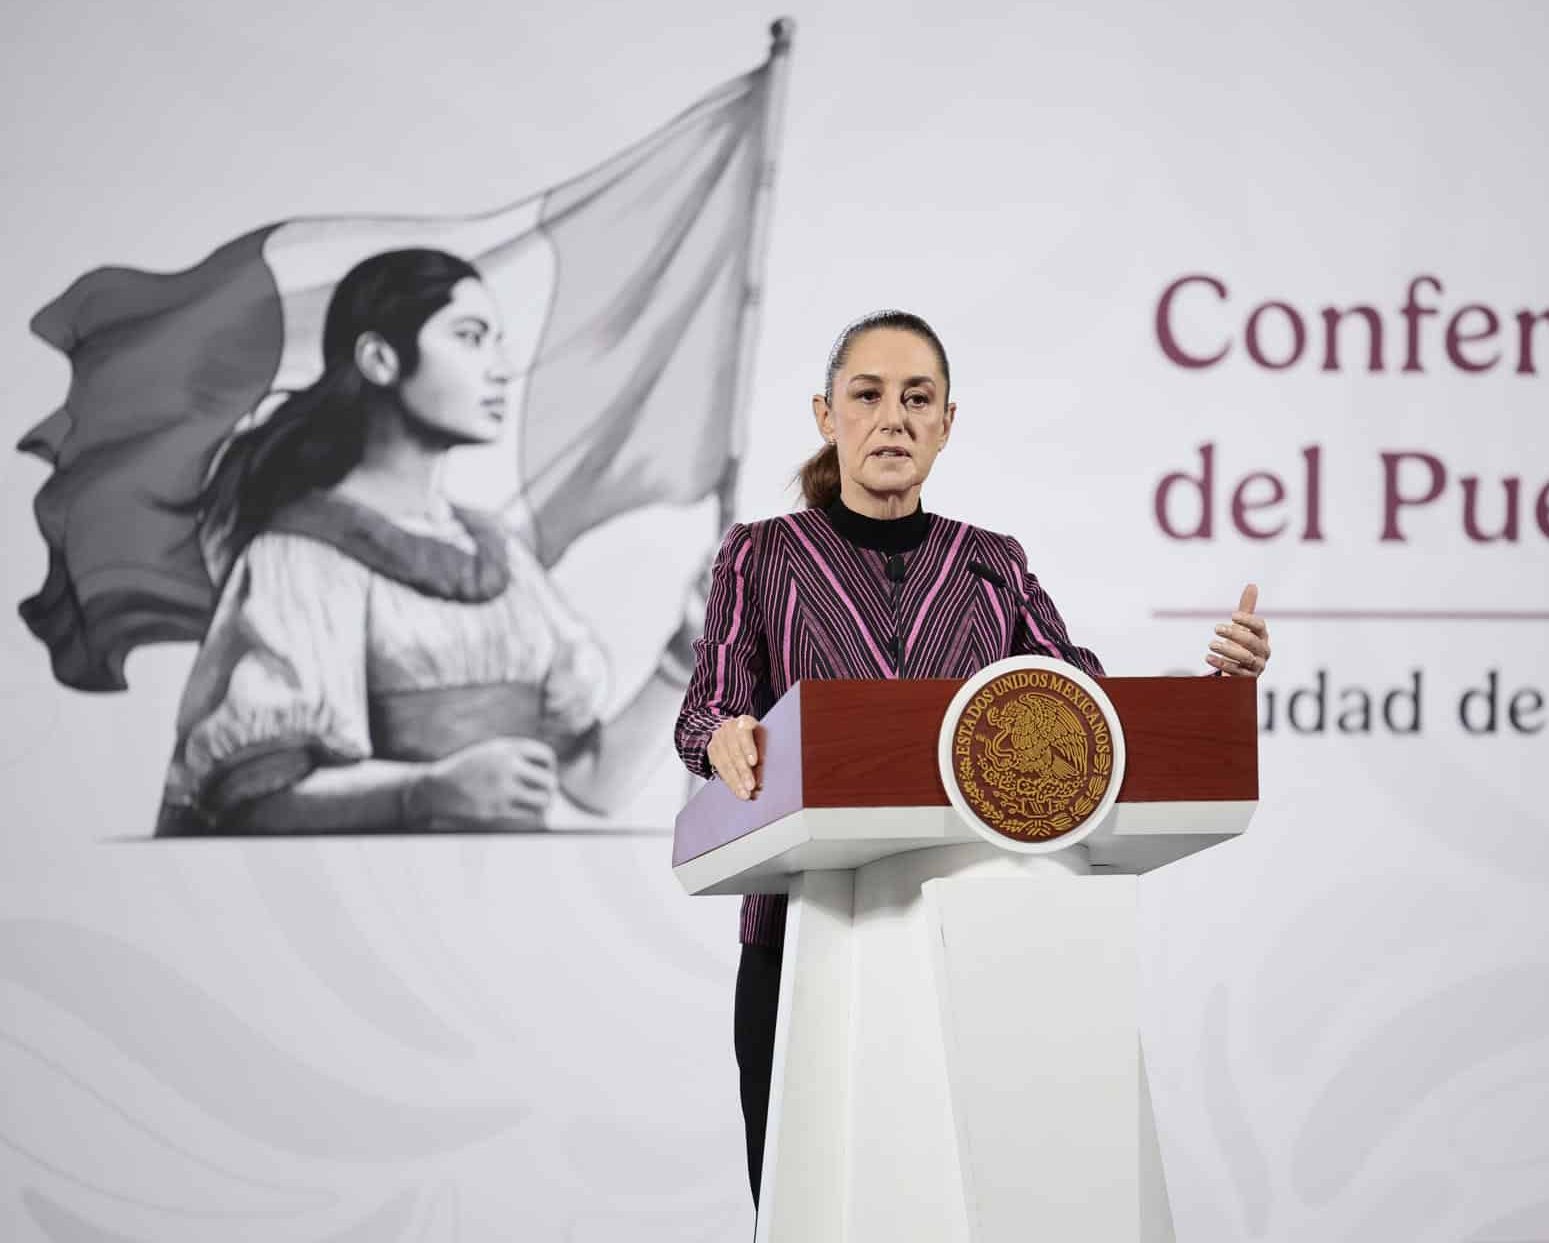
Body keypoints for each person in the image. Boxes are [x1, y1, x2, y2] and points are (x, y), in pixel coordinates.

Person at [672, 310, 1271, 1205]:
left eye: (918, 399)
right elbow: (701, 714)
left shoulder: (992, 564)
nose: (893, 419)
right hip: (801, 940)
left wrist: (1207, 685)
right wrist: (725, 733)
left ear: (948, 423)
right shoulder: (762, 557)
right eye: (867, 396)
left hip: (982, 942)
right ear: (824, 414)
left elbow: (1087, 708)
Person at [157, 248, 684, 834]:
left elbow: (593, 784)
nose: (501, 367)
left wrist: (688, 653)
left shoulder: (501, 555)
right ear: (380, 359)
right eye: (470, 336)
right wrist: (426, 791)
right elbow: (256, 801)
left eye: (497, 340)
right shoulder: (302, 556)